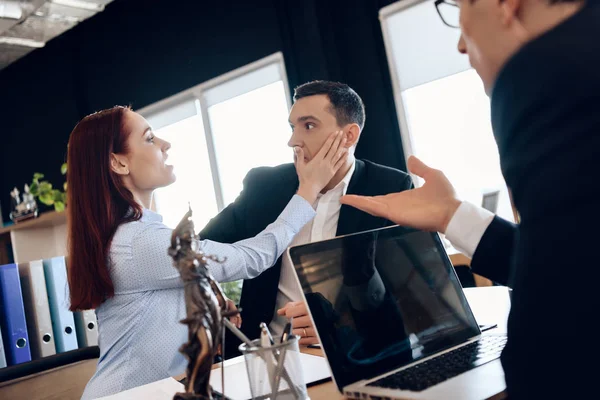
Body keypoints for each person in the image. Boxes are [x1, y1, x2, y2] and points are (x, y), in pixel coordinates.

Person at [341, 0, 599, 398]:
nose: (461, 44)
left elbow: (556, 340)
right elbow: (572, 268)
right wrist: (451, 214)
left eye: (460, 7)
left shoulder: (546, 76)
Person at [65, 105, 348, 399]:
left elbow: (152, 309)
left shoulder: (132, 237)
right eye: (149, 139)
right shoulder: (140, 242)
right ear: (119, 163)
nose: (165, 144)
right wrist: (308, 190)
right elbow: (251, 259)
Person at [200, 80, 413, 354]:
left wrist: (345, 319)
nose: (293, 140)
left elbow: (406, 294)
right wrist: (213, 294)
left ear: (349, 136)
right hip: (269, 357)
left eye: (308, 126)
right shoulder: (265, 186)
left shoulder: (389, 187)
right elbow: (197, 249)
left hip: (354, 353)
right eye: (293, 127)